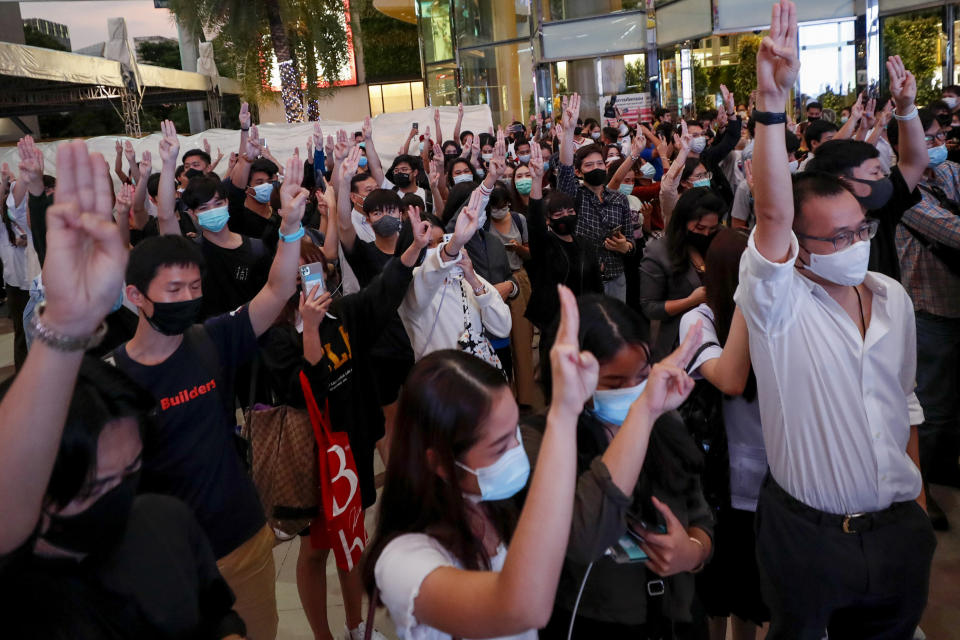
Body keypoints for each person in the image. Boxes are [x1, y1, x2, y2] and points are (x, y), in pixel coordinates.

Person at [739, 4, 934, 637]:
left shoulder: (892, 300)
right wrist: (771, 105)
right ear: (798, 249)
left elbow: (902, 404)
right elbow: (772, 216)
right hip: (810, 541)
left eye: (861, 230)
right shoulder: (780, 306)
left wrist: (918, 510)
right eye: (837, 237)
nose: (856, 244)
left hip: (898, 533)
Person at [0, 140, 246, 640]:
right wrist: (65, 326)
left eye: (131, 472)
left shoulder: (164, 523)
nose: (118, 497)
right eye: (92, 486)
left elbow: (219, 613)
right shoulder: (24, 583)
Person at [109, 150, 311, 640]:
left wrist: (289, 226)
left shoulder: (211, 338)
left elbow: (277, 290)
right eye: (174, 290)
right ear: (136, 296)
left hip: (241, 539)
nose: (188, 299)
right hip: (168, 560)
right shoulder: (113, 378)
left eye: (195, 288)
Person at [363, 286, 594, 640]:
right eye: (500, 444)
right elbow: (519, 609)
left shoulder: (489, 503)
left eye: (515, 432)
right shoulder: (404, 560)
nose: (518, 451)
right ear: (440, 462)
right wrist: (564, 414)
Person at [259, 215, 430, 640]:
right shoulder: (274, 336)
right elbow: (305, 393)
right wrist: (311, 332)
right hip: (315, 463)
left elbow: (381, 296)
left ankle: (358, 627)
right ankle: (324, 635)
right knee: (315, 551)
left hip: (352, 451)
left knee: (352, 545)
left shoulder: (343, 314)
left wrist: (411, 250)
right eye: (298, 275)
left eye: (315, 270)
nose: (310, 282)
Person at [533, 295, 710, 639]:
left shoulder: (664, 420)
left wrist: (693, 552)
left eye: (643, 377)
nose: (633, 393)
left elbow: (699, 513)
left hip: (676, 616)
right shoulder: (544, 441)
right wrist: (643, 414)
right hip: (593, 622)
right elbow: (583, 538)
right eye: (614, 384)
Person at [679, 229, 768, 640]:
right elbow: (730, 380)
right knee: (720, 584)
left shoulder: (775, 317)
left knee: (749, 587)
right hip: (721, 476)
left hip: (770, 477)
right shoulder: (699, 320)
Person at [888, 106, 960, 527]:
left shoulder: (951, 172)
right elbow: (951, 231)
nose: (935, 146)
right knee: (929, 409)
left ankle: (946, 467)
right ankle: (921, 488)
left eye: (939, 137)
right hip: (930, 310)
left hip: (955, 305)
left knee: (952, 405)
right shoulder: (902, 191)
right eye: (926, 139)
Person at [807, 55, 927, 282]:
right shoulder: (806, 218)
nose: (883, 177)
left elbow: (914, 161)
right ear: (844, 181)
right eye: (874, 172)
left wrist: (906, 106)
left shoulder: (881, 209)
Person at [399, 188, 511, 366]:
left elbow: (502, 327)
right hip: (439, 380)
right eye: (428, 244)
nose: (437, 249)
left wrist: (474, 282)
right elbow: (430, 273)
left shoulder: (465, 276)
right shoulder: (412, 283)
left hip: (477, 375)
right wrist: (455, 244)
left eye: (441, 241)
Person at [558, 94, 635, 302]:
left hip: (617, 278)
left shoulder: (619, 199)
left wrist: (624, 247)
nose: (596, 168)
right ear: (579, 172)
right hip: (585, 280)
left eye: (599, 164)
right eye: (589, 165)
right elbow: (564, 170)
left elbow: (631, 241)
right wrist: (568, 131)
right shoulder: (575, 197)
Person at [523, 154, 604, 337]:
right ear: (548, 220)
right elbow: (534, 222)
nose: (566, 216)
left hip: (586, 321)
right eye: (559, 214)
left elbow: (597, 286)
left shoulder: (585, 244)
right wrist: (536, 181)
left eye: (570, 211)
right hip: (555, 324)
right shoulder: (545, 244)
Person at [640, 188, 721, 360]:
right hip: (679, 343)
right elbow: (650, 307)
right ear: (683, 222)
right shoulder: (659, 251)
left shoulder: (717, 242)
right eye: (700, 228)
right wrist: (691, 301)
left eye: (712, 229)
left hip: (719, 338)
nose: (706, 234)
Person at [486, 183, 537, 409]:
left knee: (522, 339)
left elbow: (530, 253)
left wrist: (517, 249)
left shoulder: (518, 219)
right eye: (495, 206)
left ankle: (526, 397)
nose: (500, 209)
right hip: (492, 284)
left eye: (504, 204)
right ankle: (505, 396)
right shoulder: (483, 223)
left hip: (518, 278)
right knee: (498, 341)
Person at [0, 162, 40, 371]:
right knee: (22, 333)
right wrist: (7, 181)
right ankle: (23, 375)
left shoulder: (31, 217)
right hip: (16, 284)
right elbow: (11, 206)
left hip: (33, 281)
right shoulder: (4, 218)